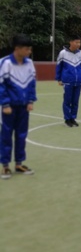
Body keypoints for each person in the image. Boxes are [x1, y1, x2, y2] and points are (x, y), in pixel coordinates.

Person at [0, 35, 37, 180]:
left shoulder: (29, 63)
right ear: (17, 48)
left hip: (23, 106)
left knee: (22, 135)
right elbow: (1, 85)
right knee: (6, 135)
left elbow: (32, 83)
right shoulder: (5, 63)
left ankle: (19, 163)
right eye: (27, 49)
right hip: (9, 107)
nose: (29, 51)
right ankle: (5, 165)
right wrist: (5, 104)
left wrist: (30, 100)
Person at [55, 35, 81, 127]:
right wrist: (59, 79)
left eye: (79, 42)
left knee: (75, 101)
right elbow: (59, 66)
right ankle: (67, 119)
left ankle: (73, 118)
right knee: (67, 100)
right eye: (76, 42)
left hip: (78, 81)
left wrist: (80, 77)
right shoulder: (63, 53)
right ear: (71, 42)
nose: (78, 44)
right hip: (67, 81)